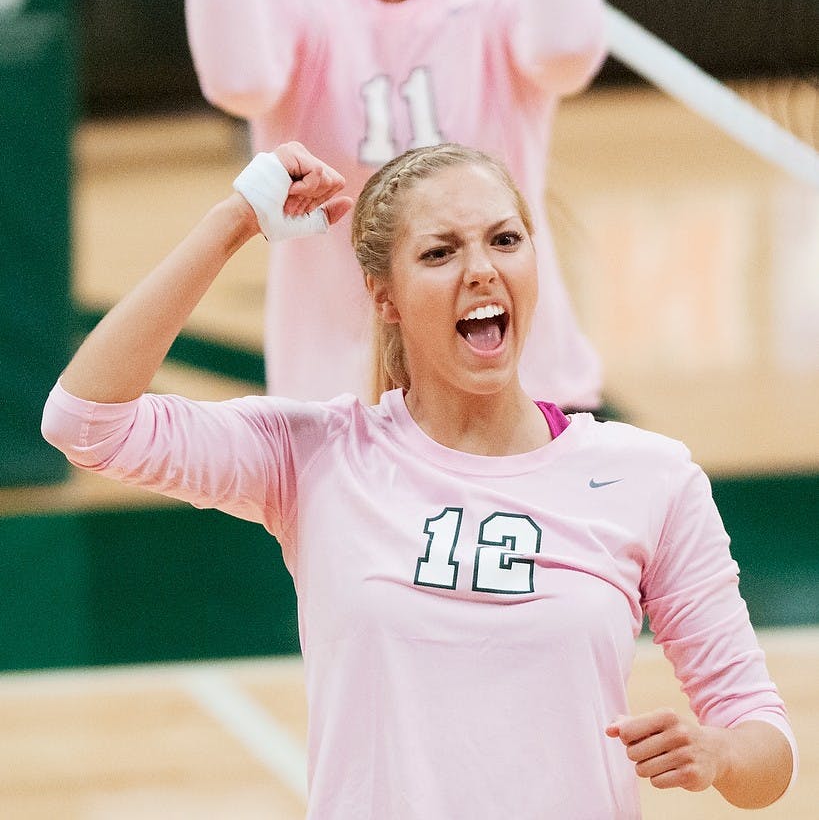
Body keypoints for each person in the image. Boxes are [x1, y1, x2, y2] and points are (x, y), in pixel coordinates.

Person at [42, 142, 796, 818]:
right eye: (439, 253)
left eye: (505, 240)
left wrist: (720, 755)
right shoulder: (315, 457)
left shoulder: (648, 478)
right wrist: (232, 223)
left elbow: (764, 745)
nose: (480, 269)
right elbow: (84, 423)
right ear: (384, 297)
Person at [181, 0, 608, 408]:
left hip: (524, 405)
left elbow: (572, 46)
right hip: (344, 419)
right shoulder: (293, 1)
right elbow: (235, 77)